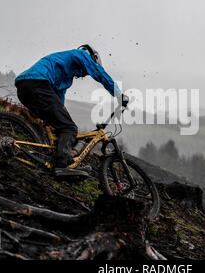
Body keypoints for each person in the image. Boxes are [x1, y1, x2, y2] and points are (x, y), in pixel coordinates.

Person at [15, 44, 128, 179]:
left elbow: (58, 99)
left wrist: (60, 117)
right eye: (85, 72)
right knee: (69, 128)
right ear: (92, 58)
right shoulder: (81, 55)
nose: (84, 74)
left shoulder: (66, 76)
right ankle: (61, 166)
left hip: (24, 88)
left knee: (62, 126)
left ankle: (58, 159)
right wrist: (119, 95)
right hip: (37, 84)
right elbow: (98, 73)